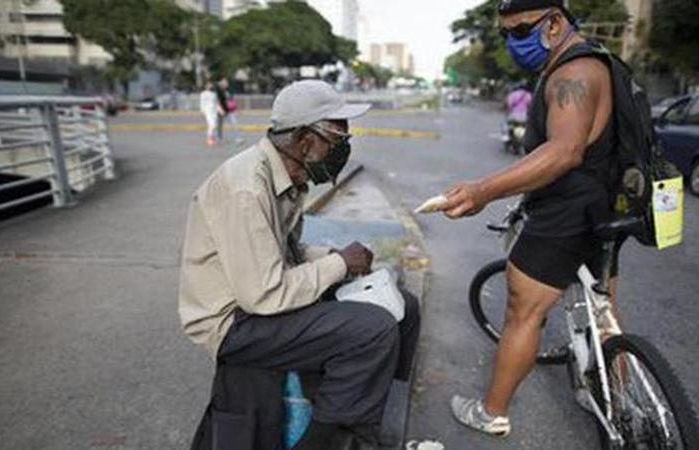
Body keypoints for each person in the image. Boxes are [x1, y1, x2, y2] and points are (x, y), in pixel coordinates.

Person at [179, 80, 420, 450]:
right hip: (235, 322)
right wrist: (339, 264)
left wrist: (336, 258)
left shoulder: (288, 177)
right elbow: (264, 294)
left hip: (258, 300)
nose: (345, 146)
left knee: (405, 306)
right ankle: (325, 440)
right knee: (373, 328)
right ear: (305, 140)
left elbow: (283, 252)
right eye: (338, 137)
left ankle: (369, 412)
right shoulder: (246, 189)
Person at [438, 0, 622, 437]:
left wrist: (483, 190)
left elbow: (564, 151)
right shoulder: (600, 60)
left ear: (554, 22)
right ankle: (610, 396)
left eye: (519, 31)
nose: (513, 43)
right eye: (506, 35)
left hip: (567, 213)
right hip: (610, 205)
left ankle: (492, 412)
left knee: (523, 311)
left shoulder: (571, 74)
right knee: (604, 311)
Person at [199, 82, 219, 147]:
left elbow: (216, 103)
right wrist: (202, 111)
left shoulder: (214, 94)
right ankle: (209, 138)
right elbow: (202, 102)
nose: (210, 86)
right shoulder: (203, 94)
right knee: (212, 125)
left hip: (214, 111)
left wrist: (219, 110)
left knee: (214, 125)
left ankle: (212, 137)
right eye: (209, 85)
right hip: (208, 111)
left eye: (211, 85)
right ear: (206, 86)